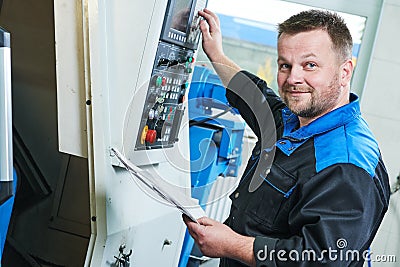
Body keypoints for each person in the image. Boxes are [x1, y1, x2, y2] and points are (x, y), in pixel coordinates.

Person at [183, 8, 391, 267]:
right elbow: (253, 96)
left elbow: (319, 259)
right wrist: (216, 52)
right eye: (285, 65)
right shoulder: (293, 121)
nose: (293, 78)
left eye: (310, 65)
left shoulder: (346, 164)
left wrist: (231, 245)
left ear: (345, 72)